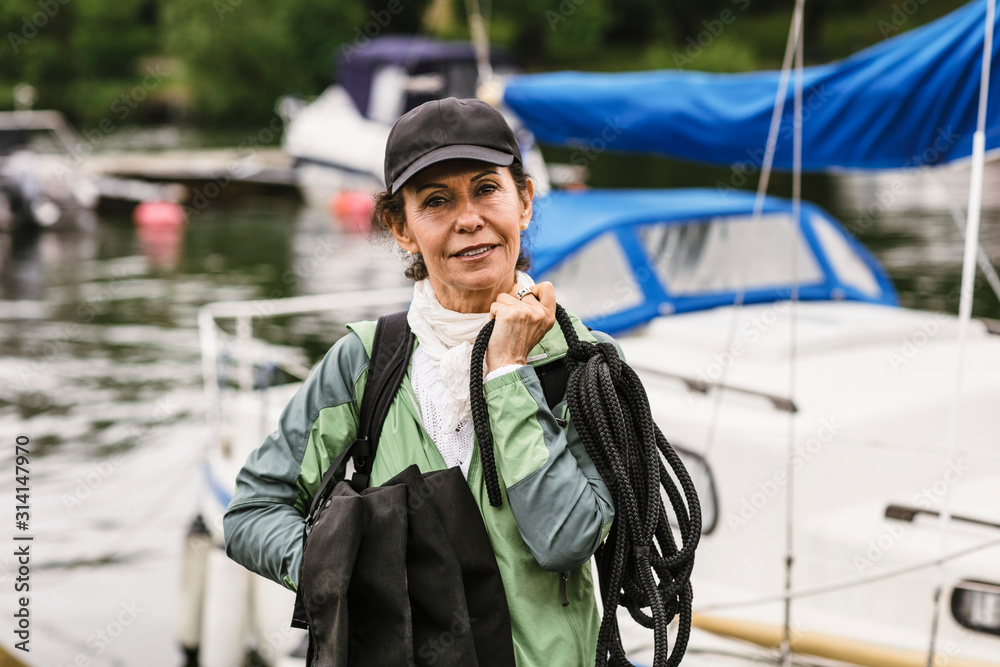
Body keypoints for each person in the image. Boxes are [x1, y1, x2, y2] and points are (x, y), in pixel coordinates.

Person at [224, 97, 618, 666]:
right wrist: (345, 564)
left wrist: (508, 373)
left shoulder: (587, 364)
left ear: (525, 202)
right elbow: (252, 513)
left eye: (487, 189)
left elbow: (565, 542)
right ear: (400, 228)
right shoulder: (364, 362)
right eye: (436, 200)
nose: (468, 219)